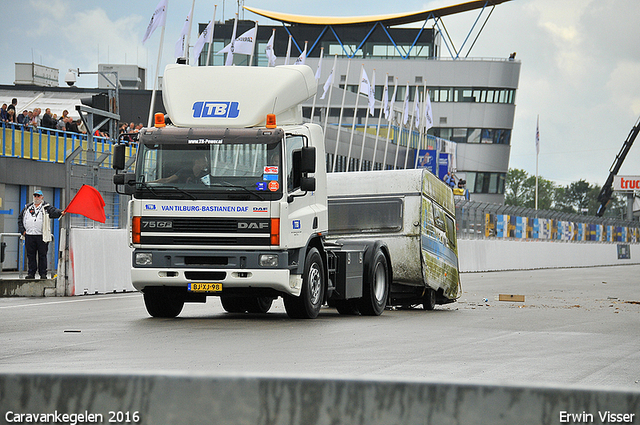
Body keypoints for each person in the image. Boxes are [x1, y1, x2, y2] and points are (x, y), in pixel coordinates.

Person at [18, 190, 65, 279]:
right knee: (30, 255)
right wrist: (23, 231)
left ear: (42, 197)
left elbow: (54, 211)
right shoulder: (27, 207)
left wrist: (61, 212)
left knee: (42, 255)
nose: (36, 197)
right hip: (29, 235)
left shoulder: (46, 207)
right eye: (35, 196)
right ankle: (31, 273)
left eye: (38, 196)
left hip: (41, 235)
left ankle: (43, 273)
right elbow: (20, 219)